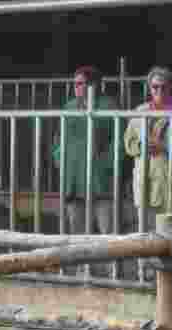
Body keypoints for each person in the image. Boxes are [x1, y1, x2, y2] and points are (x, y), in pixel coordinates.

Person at [123, 65, 172, 238]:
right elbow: (128, 143)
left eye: (164, 86)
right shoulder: (140, 111)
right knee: (147, 239)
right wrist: (142, 147)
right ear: (149, 88)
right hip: (146, 185)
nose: (159, 90)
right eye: (155, 87)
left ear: (171, 87)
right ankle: (147, 267)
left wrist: (163, 145)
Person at [50, 65, 120, 238]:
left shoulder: (108, 105)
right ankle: (82, 265)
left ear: (94, 84)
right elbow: (59, 137)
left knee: (108, 232)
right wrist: (59, 158)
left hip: (101, 181)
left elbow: (119, 139)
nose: (77, 87)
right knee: (76, 232)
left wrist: (107, 164)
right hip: (73, 179)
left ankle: (111, 265)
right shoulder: (69, 106)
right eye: (75, 84)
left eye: (81, 84)